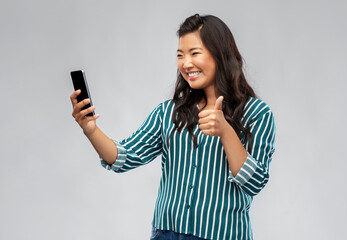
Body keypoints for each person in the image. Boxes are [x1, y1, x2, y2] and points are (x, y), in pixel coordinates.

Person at [70, 14, 276, 240]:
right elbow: (124, 157)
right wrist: (91, 130)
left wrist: (226, 131)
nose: (186, 64)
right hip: (166, 234)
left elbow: (255, 182)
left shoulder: (257, 113)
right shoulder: (168, 113)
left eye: (195, 53)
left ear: (220, 54)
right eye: (180, 55)